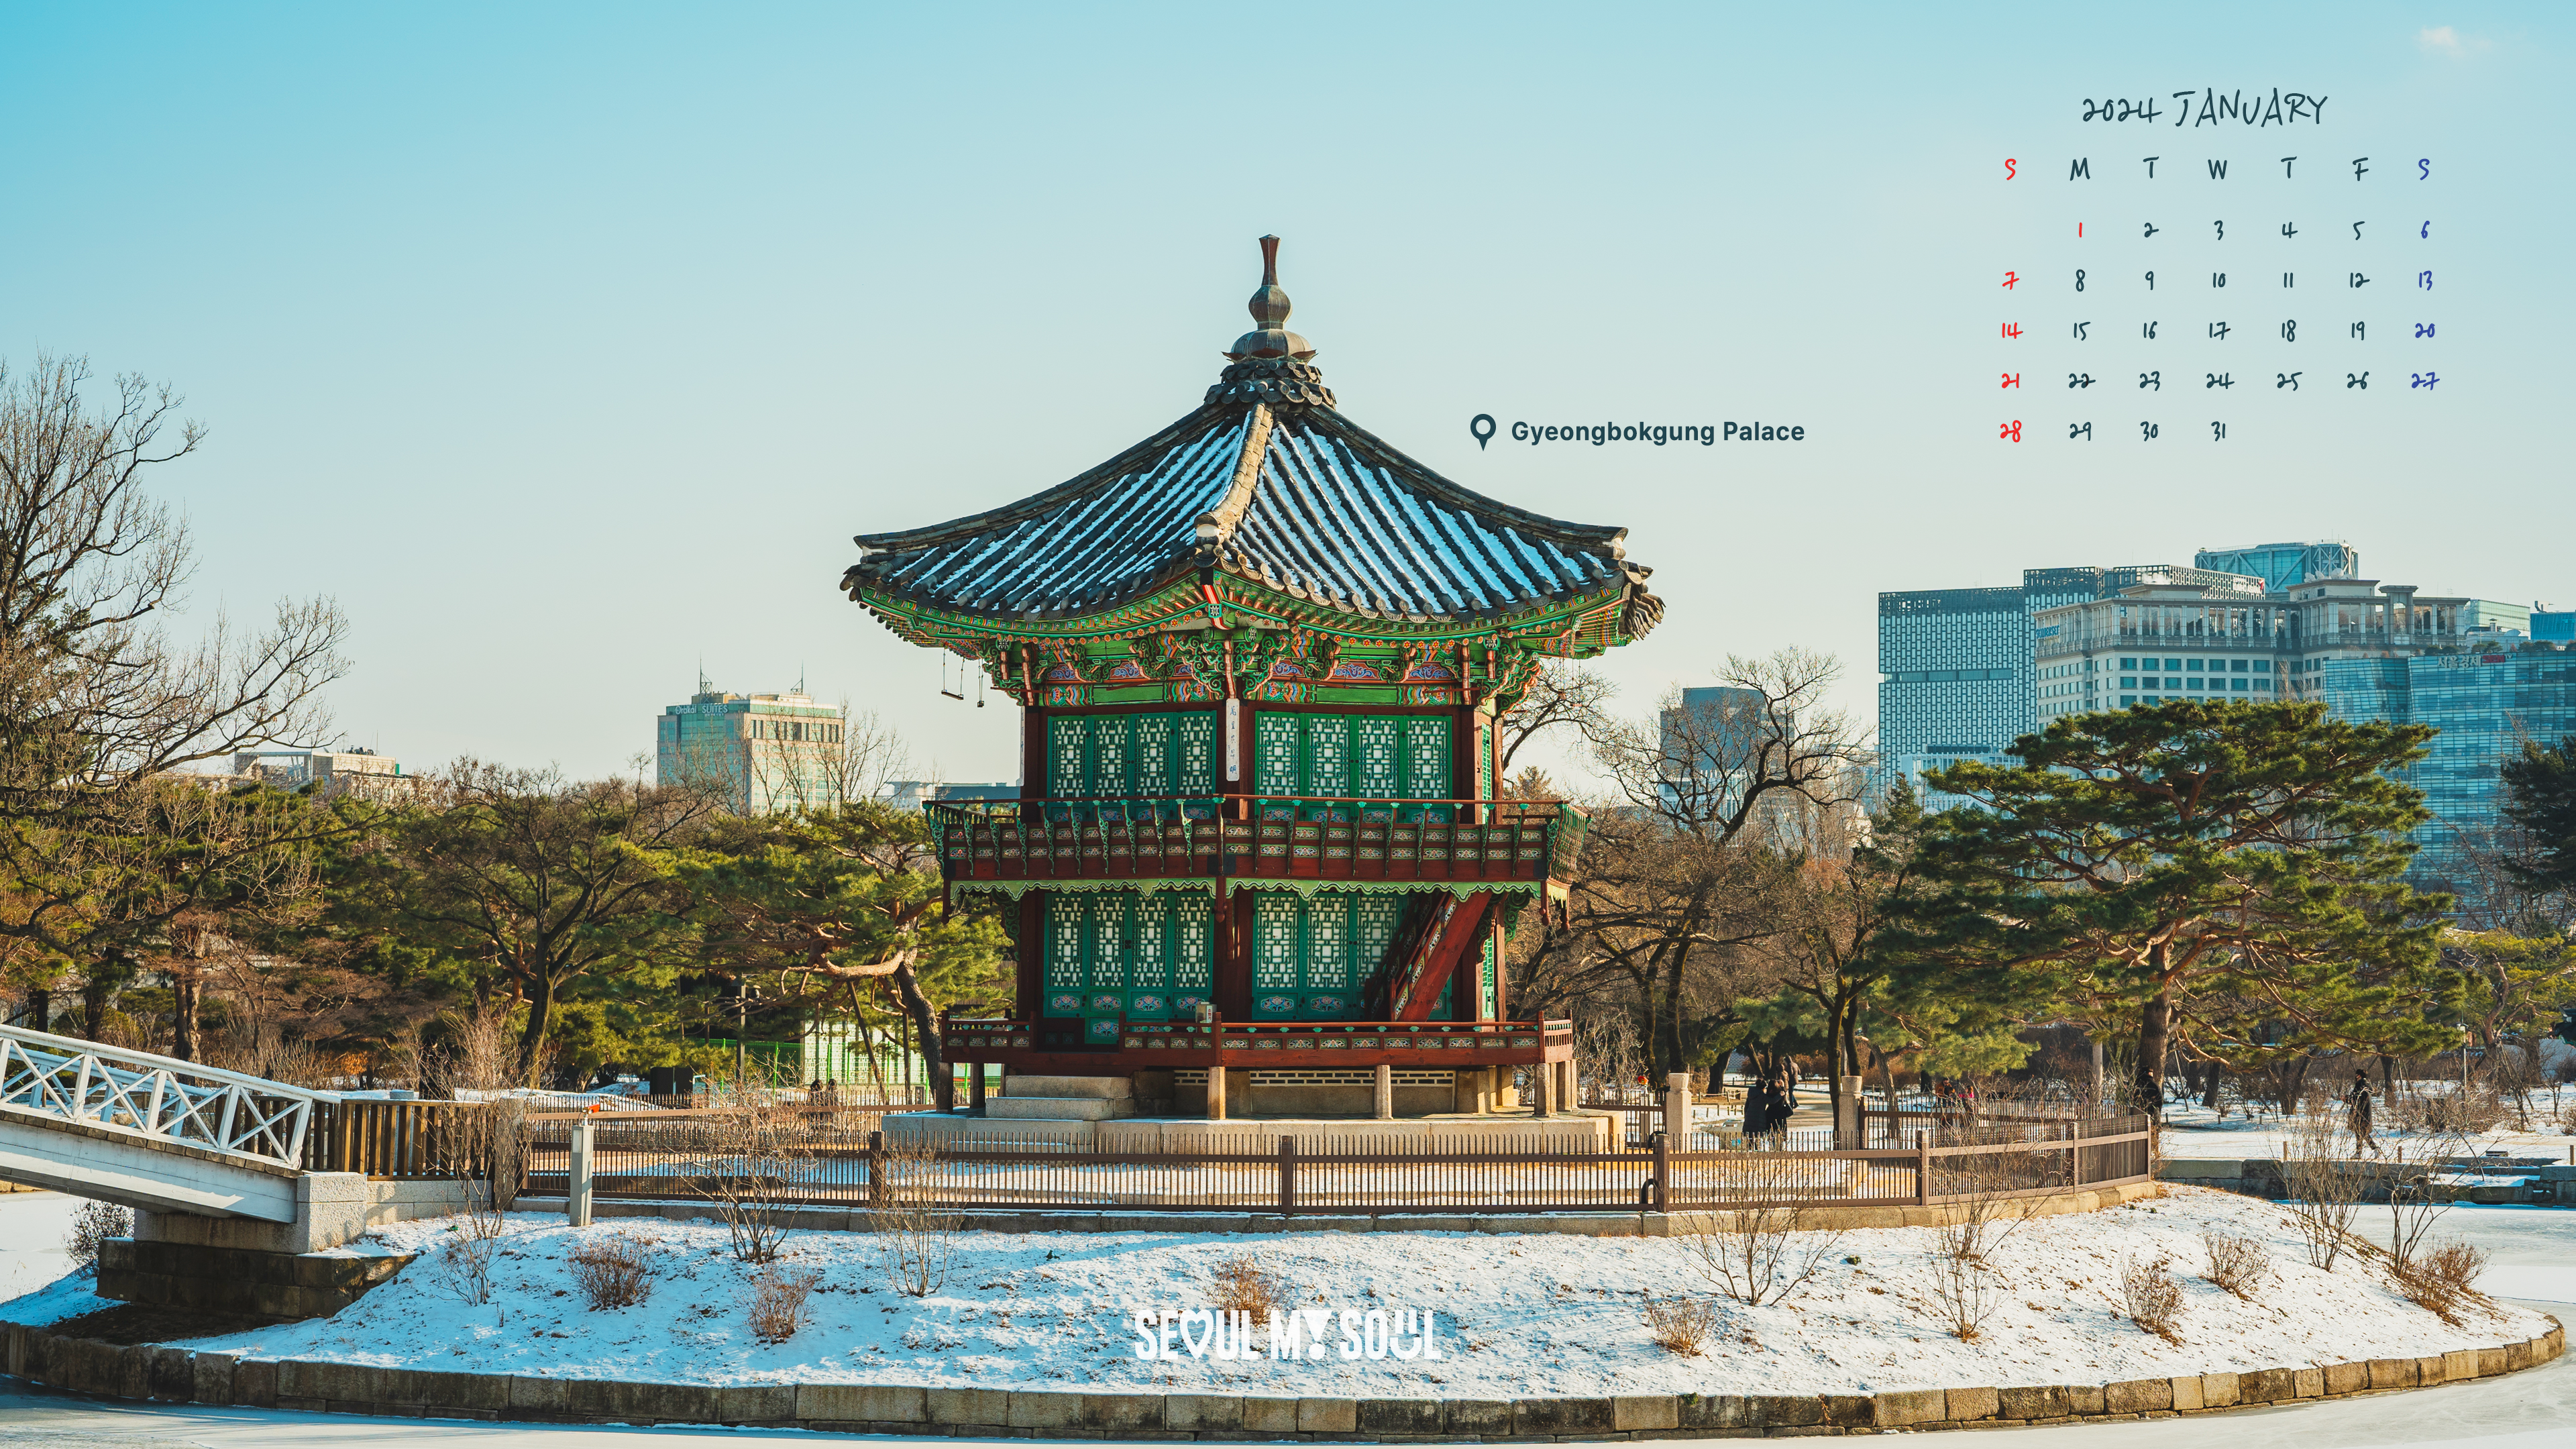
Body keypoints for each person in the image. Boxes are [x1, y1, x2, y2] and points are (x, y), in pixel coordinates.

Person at [2346, 1070, 2379, 1157]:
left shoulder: (2359, 1085)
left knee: (2361, 1132)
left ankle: (2370, 1150)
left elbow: (2355, 1099)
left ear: (2359, 1076)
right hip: (2366, 1113)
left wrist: (2346, 1099)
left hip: (2359, 1113)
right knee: (2362, 1133)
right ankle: (2365, 1151)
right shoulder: (2368, 1085)